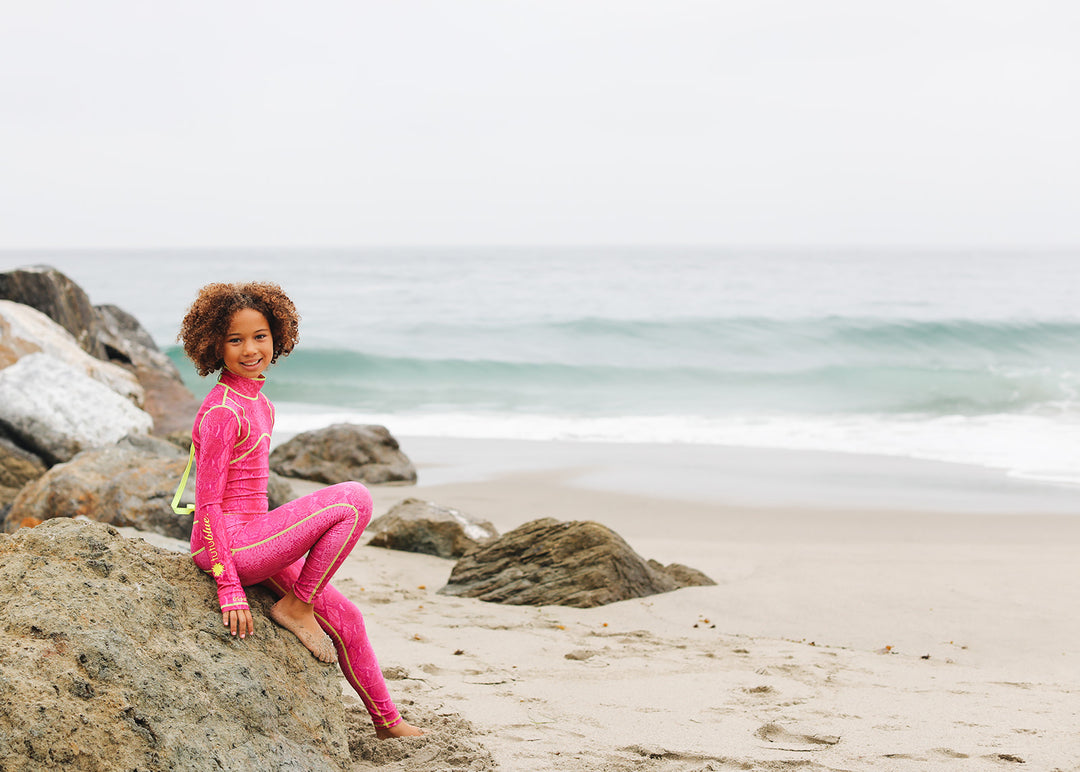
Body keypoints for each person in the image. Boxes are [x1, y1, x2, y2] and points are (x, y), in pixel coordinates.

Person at [177, 281, 422, 739]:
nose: (250, 349)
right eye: (235, 340)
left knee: (348, 617)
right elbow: (206, 508)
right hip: (226, 545)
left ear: (278, 336)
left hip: (259, 539)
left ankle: (388, 723)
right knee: (353, 499)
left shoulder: (261, 404)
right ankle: (297, 605)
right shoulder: (222, 412)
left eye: (260, 336)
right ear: (214, 344)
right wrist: (229, 586)